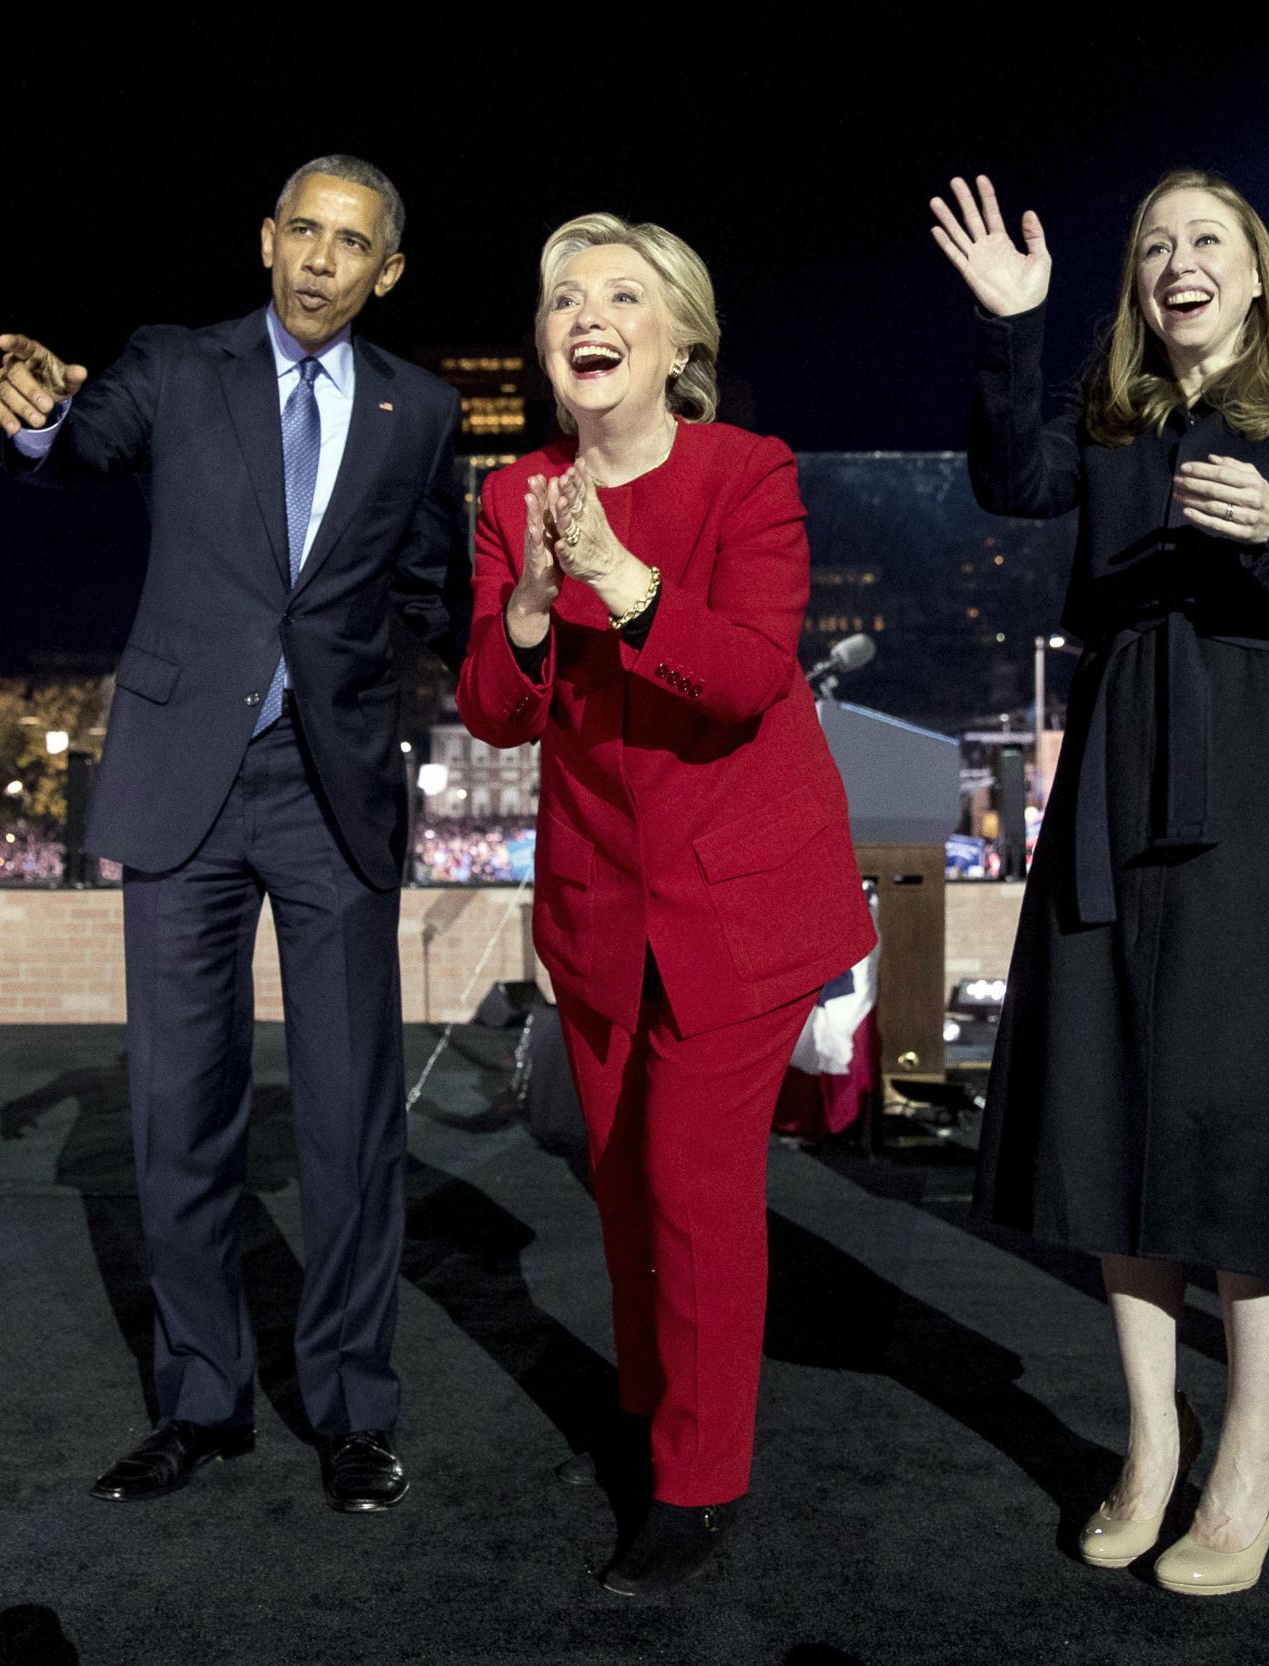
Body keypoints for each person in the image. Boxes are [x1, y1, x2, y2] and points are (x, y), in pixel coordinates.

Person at [931, 169, 1269, 1595]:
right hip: (1115, 764)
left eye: (1208, 241)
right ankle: (1152, 1438)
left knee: (1243, 1112)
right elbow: (1013, 481)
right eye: (1154, 246)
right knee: (1116, 1095)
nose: (1179, 262)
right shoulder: (1113, 416)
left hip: (1253, 766)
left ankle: (1261, 1442)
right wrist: (1013, 326)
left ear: (1256, 276)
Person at [0, 156, 466, 1511]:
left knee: (351, 1119)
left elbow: (432, 582)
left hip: (334, 794)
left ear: (389, 272)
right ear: (266, 240)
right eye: (303, 232)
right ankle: (201, 1400)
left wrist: (368, 691)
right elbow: (78, 443)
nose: (321, 260)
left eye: (352, 243)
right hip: (185, 780)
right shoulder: (175, 365)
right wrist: (34, 418)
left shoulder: (421, 409)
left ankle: (355, 1407)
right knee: (177, 1114)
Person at [457, 213, 875, 1596]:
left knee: (698, 1190)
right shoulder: (514, 490)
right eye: (564, 294)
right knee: (626, 1185)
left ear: (679, 339)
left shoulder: (749, 474)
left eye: (621, 293)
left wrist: (618, 582)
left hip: (740, 898)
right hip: (597, 904)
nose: (587, 311)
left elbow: (753, 674)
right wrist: (525, 601)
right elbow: (495, 712)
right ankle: (650, 1409)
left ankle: (696, 1484)